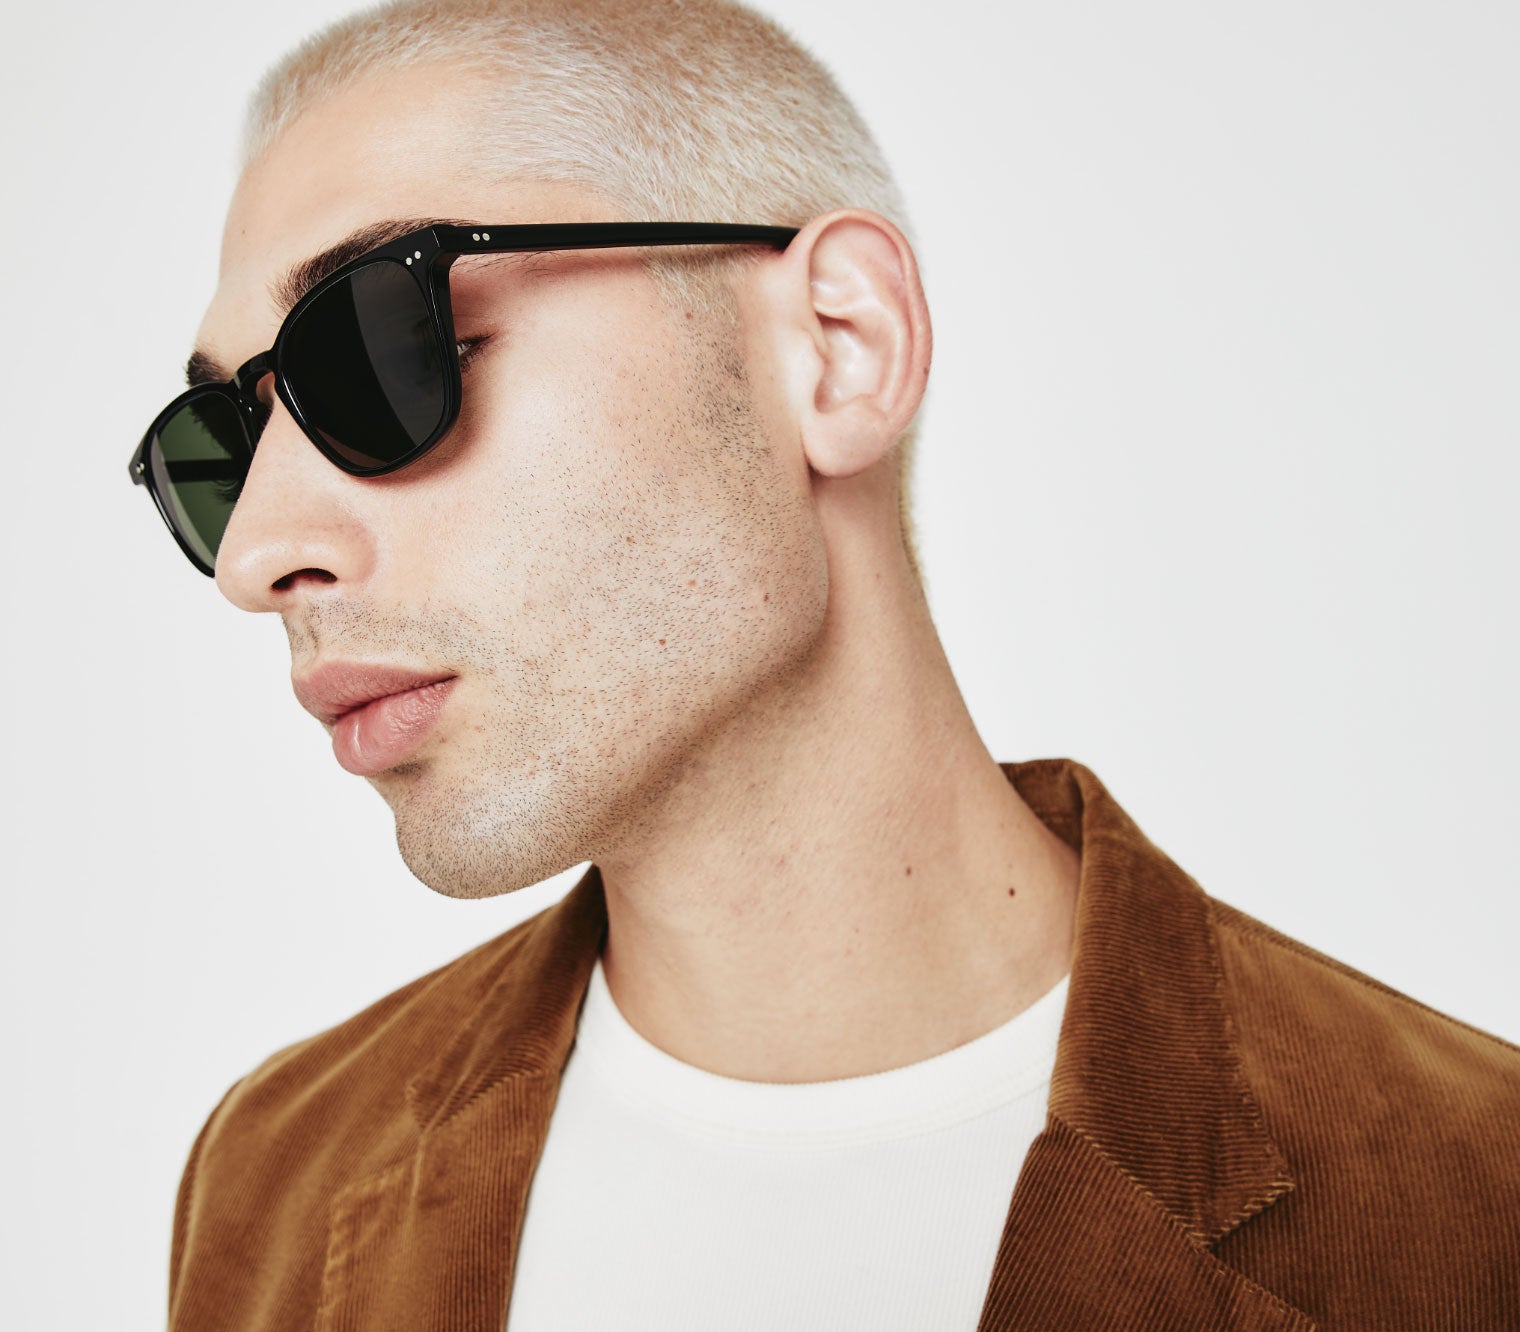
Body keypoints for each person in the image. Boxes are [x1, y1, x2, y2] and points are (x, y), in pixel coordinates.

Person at [131, 0, 1519, 1327]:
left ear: (842, 349)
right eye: (224, 446)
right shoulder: (277, 1174)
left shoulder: (1475, 1204)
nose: (256, 553)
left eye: (379, 352)